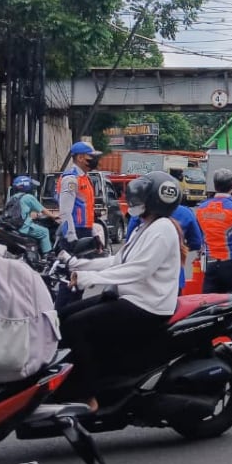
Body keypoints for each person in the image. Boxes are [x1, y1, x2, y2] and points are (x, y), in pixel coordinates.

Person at [58, 172, 183, 411]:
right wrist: (77, 265)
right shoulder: (143, 228)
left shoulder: (163, 229)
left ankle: (86, 394)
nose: (136, 202)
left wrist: (90, 278)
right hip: (130, 297)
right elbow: (119, 260)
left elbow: (138, 269)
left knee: (76, 325)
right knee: (62, 316)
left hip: (148, 305)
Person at [128, 200, 203, 294]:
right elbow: (196, 242)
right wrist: (177, 248)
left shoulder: (142, 211)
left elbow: (130, 242)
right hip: (174, 278)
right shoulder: (186, 212)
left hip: (144, 279)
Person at [57, 140, 102, 245]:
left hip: (85, 231)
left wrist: (94, 234)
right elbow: (65, 212)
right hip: (75, 232)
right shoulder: (71, 179)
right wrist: (72, 238)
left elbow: (86, 209)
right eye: (91, 156)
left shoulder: (85, 178)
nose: (95, 160)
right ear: (80, 158)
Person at [10, 175, 52, 257]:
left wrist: (33, 215)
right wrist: (54, 216)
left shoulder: (13, 197)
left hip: (14, 226)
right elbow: (43, 210)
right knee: (45, 231)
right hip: (23, 226)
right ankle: (48, 255)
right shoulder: (28, 197)